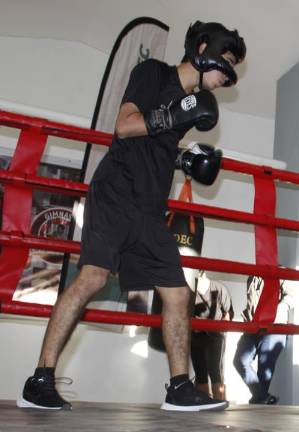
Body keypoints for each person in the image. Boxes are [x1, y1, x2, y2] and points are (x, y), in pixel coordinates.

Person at [17, 21, 246, 411]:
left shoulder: (193, 105)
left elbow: (157, 144)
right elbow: (125, 127)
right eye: (225, 63)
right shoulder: (152, 72)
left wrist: (184, 159)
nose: (227, 76)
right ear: (203, 46)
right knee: (92, 277)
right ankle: (39, 381)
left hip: (151, 208)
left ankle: (178, 388)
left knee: (177, 293)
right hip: (116, 192)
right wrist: (171, 117)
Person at [233, 275, 292, 405]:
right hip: (252, 326)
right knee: (239, 360)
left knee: (265, 370)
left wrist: (275, 312)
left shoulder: (281, 273)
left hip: (273, 326)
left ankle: (259, 400)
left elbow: (290, 298)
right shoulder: (252, 276)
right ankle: (262, 397)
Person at [190, 271, 233, 401]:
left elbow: (228, 313)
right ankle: (203, 404)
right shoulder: (189, 291)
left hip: (216, 336)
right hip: (196, 335)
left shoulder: (219, 289)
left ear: (202, 273)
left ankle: (219, 404)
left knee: (216, 372)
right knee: (200, 372)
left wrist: (219, 328)